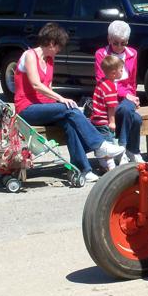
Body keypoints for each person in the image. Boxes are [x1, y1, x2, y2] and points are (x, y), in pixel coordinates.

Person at [15, 23, 124, 183]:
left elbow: (48, 88)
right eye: (58, 46)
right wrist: (61, 99)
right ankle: (100, 146)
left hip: (43, 107)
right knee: (69, 109)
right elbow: (36, 84)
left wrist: (59, 103)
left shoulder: (50, 60)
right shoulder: (30, 55)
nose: (59, 50)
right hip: (27, 109)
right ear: (51, 43)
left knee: (70, 121)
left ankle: (83, 169)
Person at [95, 20, 144, 163]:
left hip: (126, 99)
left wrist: (133, 97)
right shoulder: (101, 54)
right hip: (108, 98)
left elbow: (132, 80)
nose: (119, 47)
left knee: (129, 110)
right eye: (115, 43)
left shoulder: (132, 53)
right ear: (109, 39)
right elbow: (102, 80)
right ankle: (129, 149)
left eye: (123, 43)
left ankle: (123, 149)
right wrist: (126, 94)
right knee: (136, 119)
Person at [89, 55, 124, 171]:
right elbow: (111, 108)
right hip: (104, 121)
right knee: (108, 145)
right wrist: (112, 122)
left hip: (96, 119)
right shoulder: (110, 87)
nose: (122, 71)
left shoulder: (101, 82)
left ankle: (103, 165)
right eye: (121, 70)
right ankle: (110, 167)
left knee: (101, 144)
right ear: (114, 73)